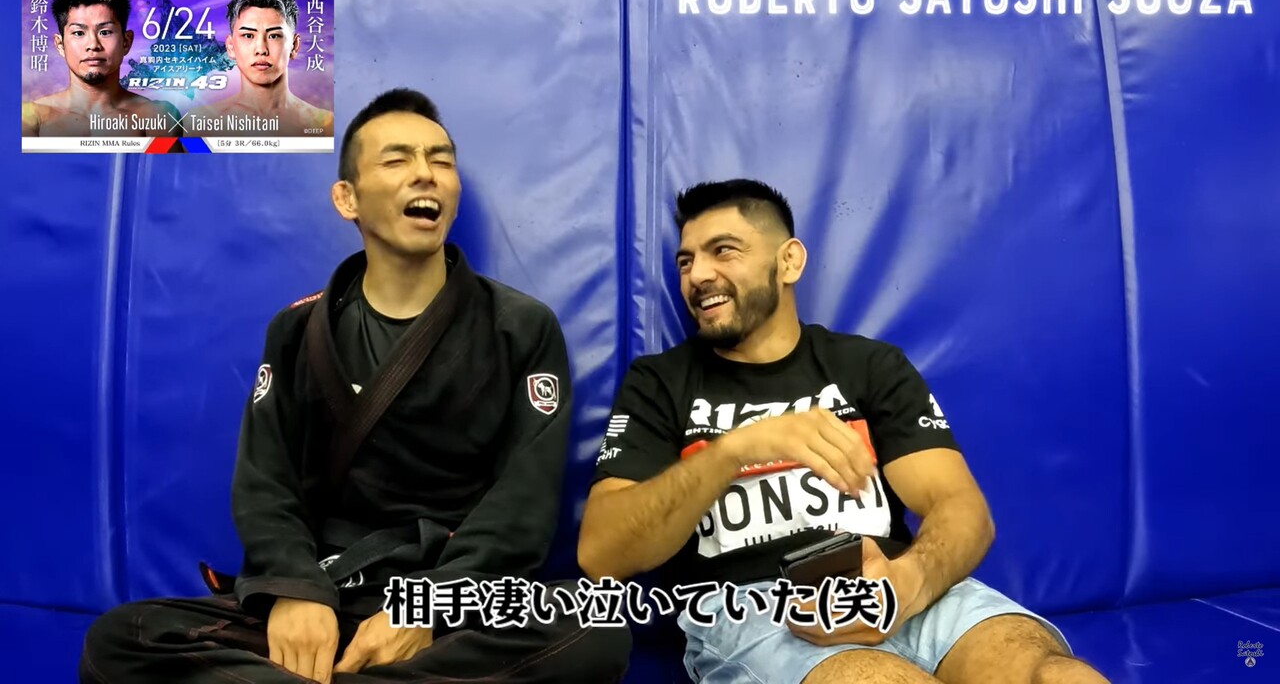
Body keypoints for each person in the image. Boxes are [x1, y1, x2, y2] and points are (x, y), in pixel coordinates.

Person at [80, 89, 631, 684]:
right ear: (347, 198)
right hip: (326, 593)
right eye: (397, 160)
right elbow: (265, 484)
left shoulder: (518, 327)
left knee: (595, 631)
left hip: (449, 608)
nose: (426, 173)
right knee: (123, 640)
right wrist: (296, 590)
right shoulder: (298, 331)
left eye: (441, 160)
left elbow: (523, 502)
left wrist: (432, 604)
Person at [577, 179, 1109, 683]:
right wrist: (733, 450)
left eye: (724, 251)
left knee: (1052, 674)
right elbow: (602, 553)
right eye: (686, 261)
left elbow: (962, 507)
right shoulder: (660, 383)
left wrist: (912, 579)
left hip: (896, 583)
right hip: (759, 610)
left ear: (789, 261)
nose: (697, 275)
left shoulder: (868, 366)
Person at [21, 0, 180, 137]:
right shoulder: (33, 118)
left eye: (105, 32)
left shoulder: (155, 114)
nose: (93, 44)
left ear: (126, 42)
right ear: (60, 45)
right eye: (78, 33)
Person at [183, 0, 334, 137]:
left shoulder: (323, 125)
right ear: (230, 46)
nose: (261, 49)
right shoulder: (200, 122)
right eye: (248, 35)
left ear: (294, 46)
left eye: (274, 36)